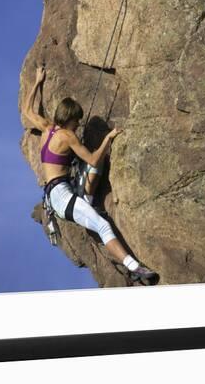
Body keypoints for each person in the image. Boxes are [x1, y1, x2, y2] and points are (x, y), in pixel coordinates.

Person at [23, 65, 157, 283]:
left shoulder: (47, 128)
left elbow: (27, 110)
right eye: (77, 121)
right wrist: (109, 138)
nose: (78, 125)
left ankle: (88, 200)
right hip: (61, 197)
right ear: (70, 119)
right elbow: (93, 158)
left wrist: (38, 82)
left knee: (94, 170)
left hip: (60, 192)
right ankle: (134, 268)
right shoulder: (67, 136)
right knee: (102, 225)